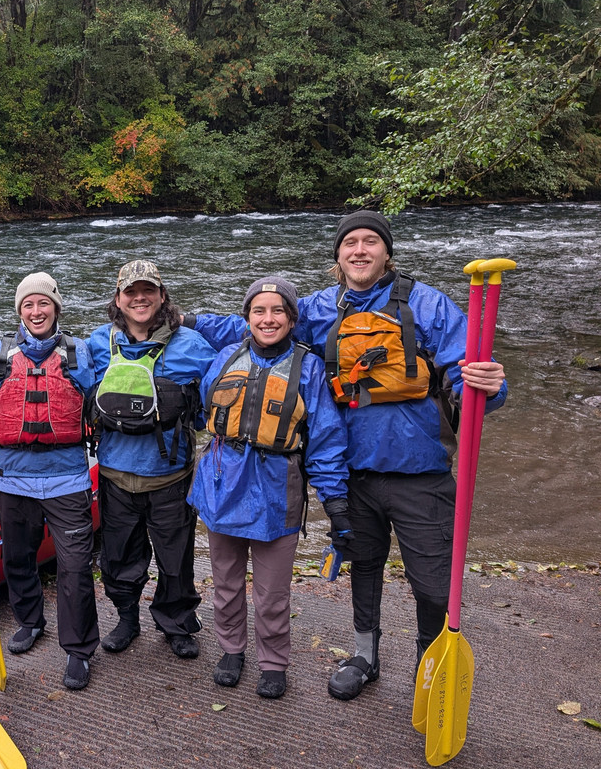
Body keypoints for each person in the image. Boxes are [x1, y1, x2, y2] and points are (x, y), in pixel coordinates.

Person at [187, 210, 507, 701]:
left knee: (433, 586)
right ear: (338, 256)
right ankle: (366, 657)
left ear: (386, 252)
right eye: (350, 243)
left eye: (370, 242)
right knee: (364, 568)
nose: (360, 250)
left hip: (421, 471)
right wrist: (186, 320)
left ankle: (429, 667)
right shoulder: (318, 308)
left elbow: (466, 367)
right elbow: (257, 325)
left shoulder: (427, 304)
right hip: (355, 474)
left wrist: (487, 386)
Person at [187, 276, 350, 699]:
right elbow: (205, 406)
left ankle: (273, 661)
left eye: (278, 311)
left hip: (279, 489)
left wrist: (336, 504)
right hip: (223, 483)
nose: (268, 318)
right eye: (259, 311)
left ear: (293, 319)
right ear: (247, 319)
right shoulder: (225, 356)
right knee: (224, 581)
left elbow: (328, 441)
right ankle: (231, 649)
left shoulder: (309, 368)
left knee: (273, 592)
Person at [0, 272, 99, 691]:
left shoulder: (78, 352)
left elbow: (98, 402)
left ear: (56, 308)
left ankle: (79, 649)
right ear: (19, 311)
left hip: (66, 478)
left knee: (76, 567)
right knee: (18, 560)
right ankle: (30, 622)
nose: (36, 311)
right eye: (28, 304)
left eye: (43, 303)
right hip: (12, 479)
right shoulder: (0, 355)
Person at [87, 260, 218, 659]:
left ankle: (175, 624)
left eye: (148, 291)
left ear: (162, 296)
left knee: (175, 559)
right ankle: (127, 619)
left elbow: (217, 401)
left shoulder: (193, 345)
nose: (139, 298)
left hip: (170, 477)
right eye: (131, 292)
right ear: (118, 299)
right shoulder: (97, 343)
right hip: (115, 474)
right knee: (118, 556)